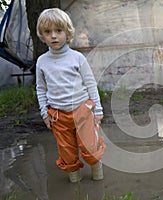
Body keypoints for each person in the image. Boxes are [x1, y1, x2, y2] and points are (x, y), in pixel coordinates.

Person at [35, 8, 106, 183]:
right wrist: (44, 112)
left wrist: (98, 110)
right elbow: (41, 89)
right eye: (48, 32)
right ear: (42, 35)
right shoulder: (42, 61)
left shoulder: (77, 58)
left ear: (67, 32)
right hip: (58, 116)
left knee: (89, 147)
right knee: (67, 151)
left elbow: (90, 84)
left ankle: (97, 172)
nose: (53, 36)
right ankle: (74, 181)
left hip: (83, 111)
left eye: (58, 31)